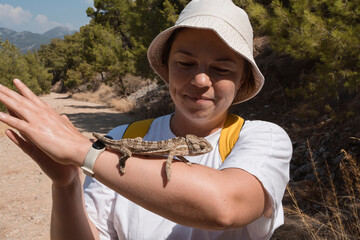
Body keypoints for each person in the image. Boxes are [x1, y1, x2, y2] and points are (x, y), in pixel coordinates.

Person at [0, 0, 292, 239]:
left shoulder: (263, 139)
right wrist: (67, 185)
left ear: (242, 81)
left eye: (222, 68)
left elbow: (224, 207)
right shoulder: (123, 134)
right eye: (185, 63)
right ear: (166, 68)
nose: (201, 79)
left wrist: (84, 151)